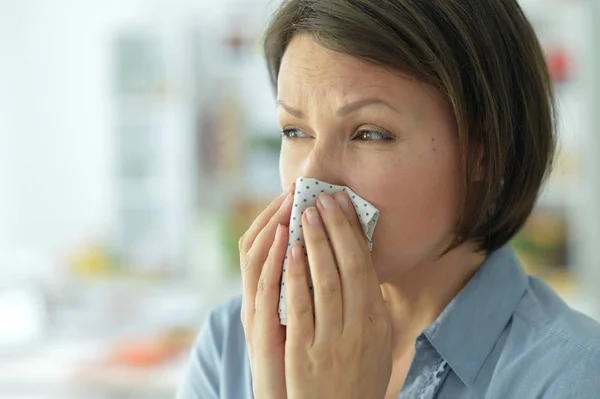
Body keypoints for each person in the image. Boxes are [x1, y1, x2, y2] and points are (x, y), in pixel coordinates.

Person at [177, 1, 600, 398]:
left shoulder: (574, 377)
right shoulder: (230, 345)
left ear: (484, 151)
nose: (311, 177)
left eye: (370, 134)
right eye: (294, 131)